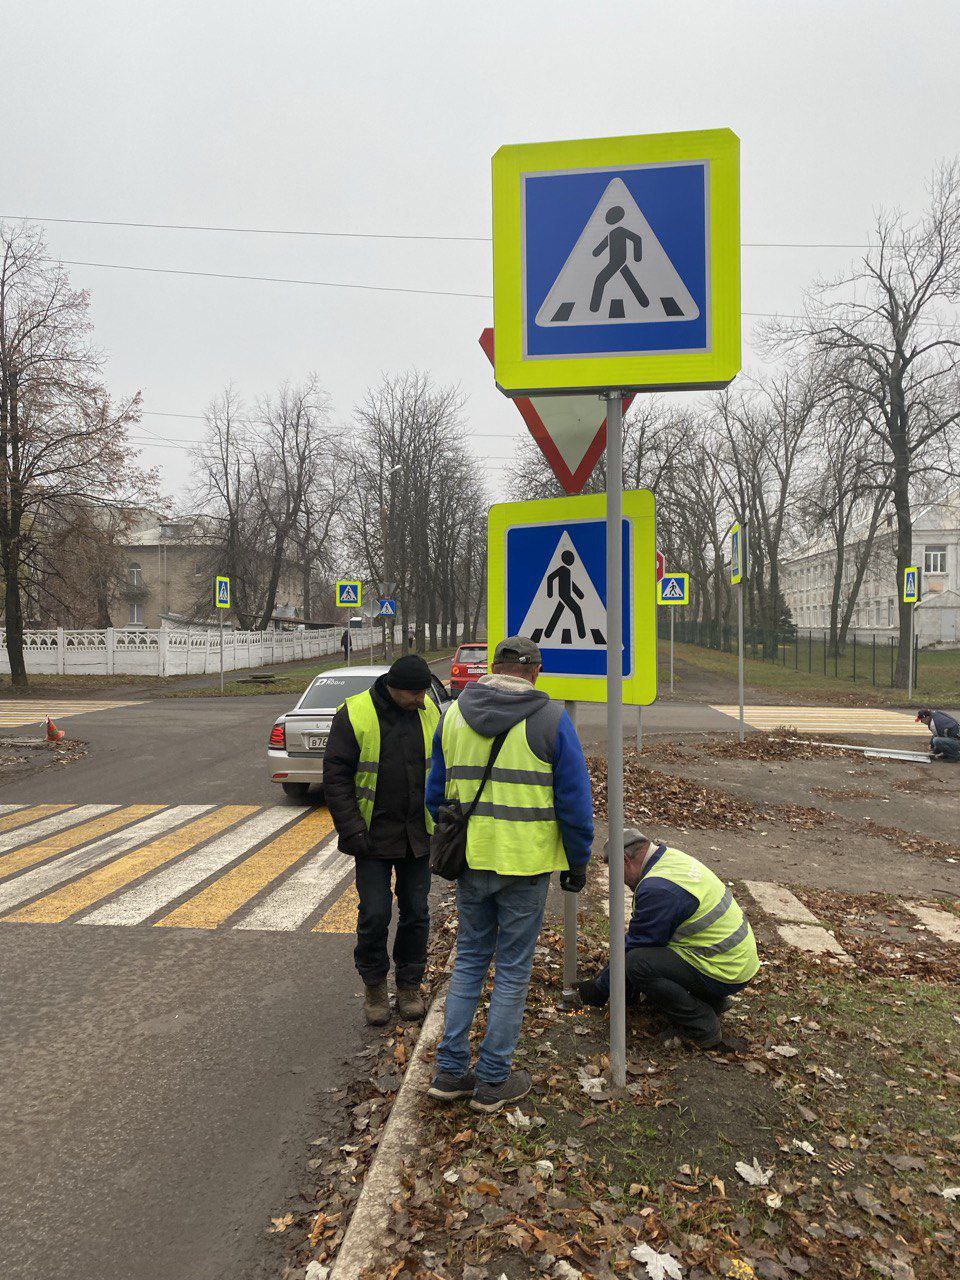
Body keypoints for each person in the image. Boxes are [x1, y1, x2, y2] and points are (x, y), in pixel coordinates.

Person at [425, 635, 594, 1113]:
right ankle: (494, 1079)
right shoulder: (551, 720)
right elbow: (575, 803)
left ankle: (451, 1071)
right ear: (535, 672)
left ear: (491, 667)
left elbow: (435, 792)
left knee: (470, 960)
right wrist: (577, 861)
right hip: (526, 864)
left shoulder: (453, 715)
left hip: (471, 860)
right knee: (513, 970)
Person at [322, 654, 439, 1026]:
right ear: (394, 688)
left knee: (417, 914)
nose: (422, 700)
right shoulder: (354, 714)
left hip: (417, 836)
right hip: (371, 837)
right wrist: (352, 829)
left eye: (424, 692)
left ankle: (408, 986)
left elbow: (444, 768)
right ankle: (374, 986)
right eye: (415, 694)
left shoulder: (430, 711)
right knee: (375, 914)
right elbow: (336, 777)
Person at [576, 829, 759, 1051]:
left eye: (616, 873)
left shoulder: (658, 889)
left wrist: (600, 988)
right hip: (734, 959)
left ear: (625, 860)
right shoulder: (669, 858)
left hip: (724, 969)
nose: (619, 882)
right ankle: (712, 1001)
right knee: (644, 959)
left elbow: (638, 947)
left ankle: (702, 1027)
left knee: (638, 963)